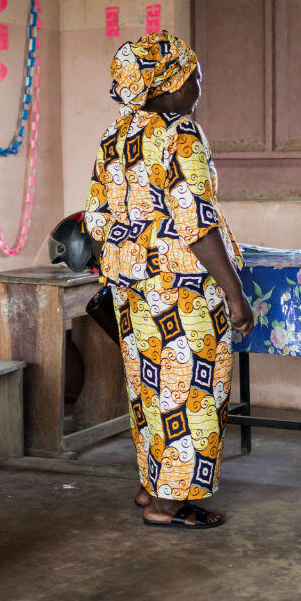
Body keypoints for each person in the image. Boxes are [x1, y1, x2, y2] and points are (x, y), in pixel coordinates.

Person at [84, 31, 254, 529]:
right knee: (190, 394)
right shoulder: (180, 134)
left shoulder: (116, 134)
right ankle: (169, 504)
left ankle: (151, 483)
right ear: (169, 82)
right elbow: (195, 223)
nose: (199, 83)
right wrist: (234, 294)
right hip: (183, 291)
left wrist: (133, 261)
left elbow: (95, 220)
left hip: (133, 290)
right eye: (193, 75)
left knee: (149, 390)